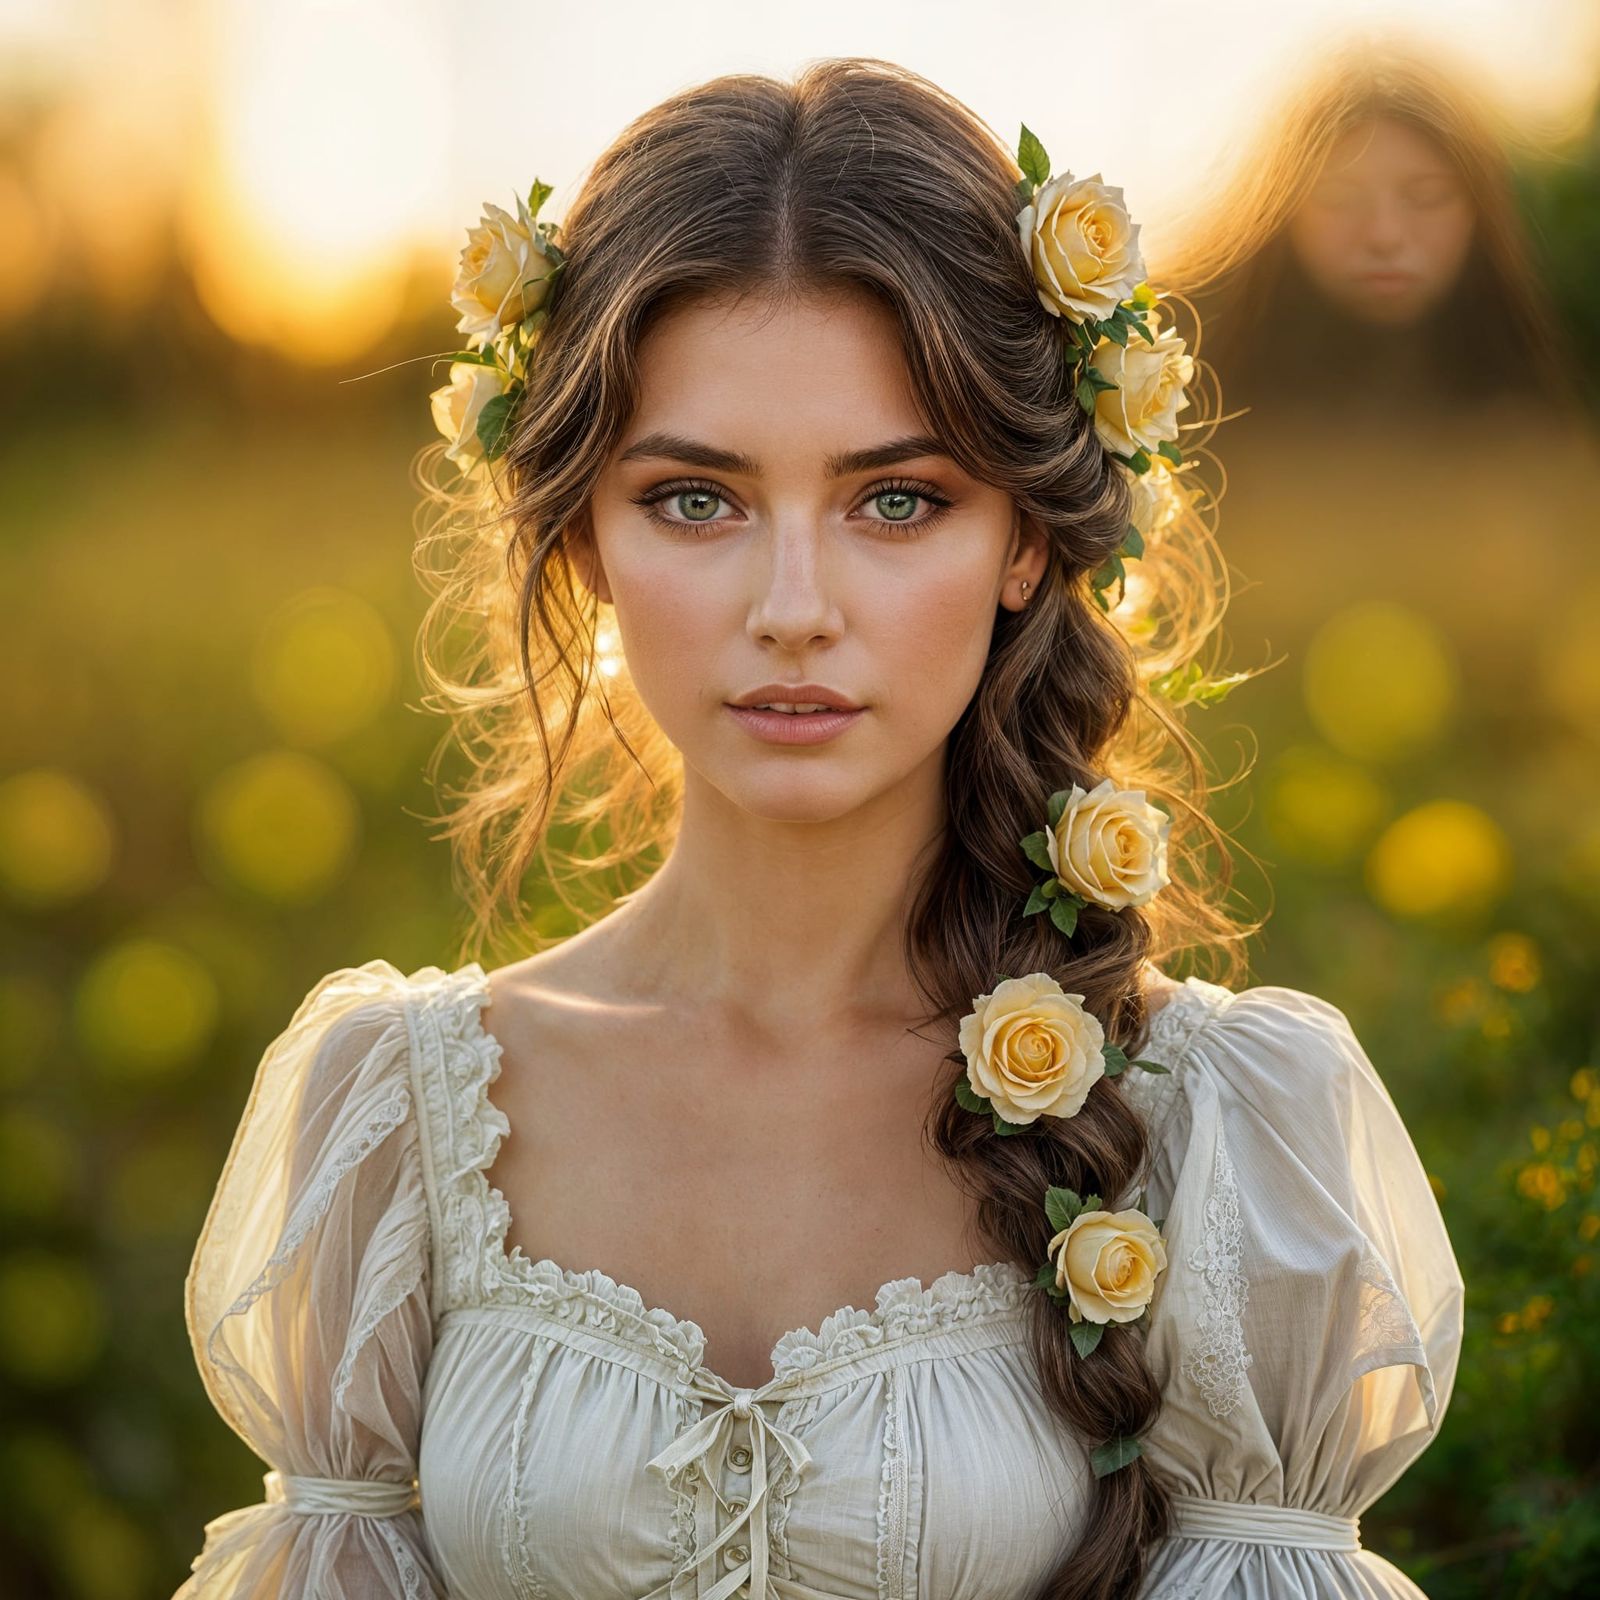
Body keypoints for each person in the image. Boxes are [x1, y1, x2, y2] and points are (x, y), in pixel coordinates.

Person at [173, 57, 1464, 1600]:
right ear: (585, 535)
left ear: (1024, 543)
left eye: (897, 499)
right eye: (697, 501)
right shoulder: (391, 1120)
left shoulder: (1225, 1130)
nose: (793, 612)